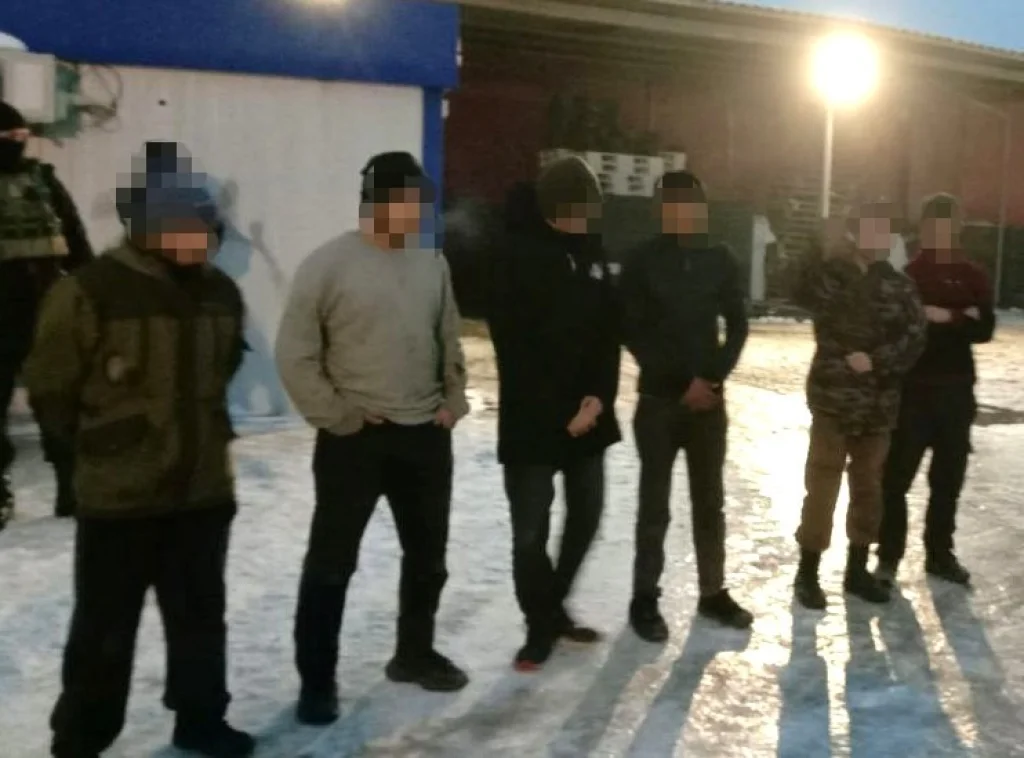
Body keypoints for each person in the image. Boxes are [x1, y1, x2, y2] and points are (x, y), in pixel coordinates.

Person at [24, 141, 253, 758]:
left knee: (200, 620)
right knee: (104, 627)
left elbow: (223, 371)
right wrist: (103, 448)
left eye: (208, 227)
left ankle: (201, 720)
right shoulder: (91, 291)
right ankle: (82, 736)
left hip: (202, 492)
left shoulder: (221, 293)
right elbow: (51, 388)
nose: (204, 239)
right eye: (190, 228)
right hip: (120, 498)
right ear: (151, 229)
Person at [276, 151, 470, 726]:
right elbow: (295, 356)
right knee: (331, 565)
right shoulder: (328, 265)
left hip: (424, 438)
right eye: (410, 200)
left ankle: (414, 653)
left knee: (428, 560)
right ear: (379, 201)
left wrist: (453, 399)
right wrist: (338, 417)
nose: (419, 211)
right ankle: (317, 682)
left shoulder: (431, 263)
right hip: (355, 442)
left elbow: (449, 338)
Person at [487, 157, 621, 671]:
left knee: (587, 515)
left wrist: (597, 398)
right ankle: (538, 626)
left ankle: (553, 604)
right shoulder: (515, 255)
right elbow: (515, 346)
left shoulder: (592, 252)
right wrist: (564, 412)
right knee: (530, 533)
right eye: (579, 207)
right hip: (533, 421)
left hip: (589, 415)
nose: (587, 216)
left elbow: (608, 333)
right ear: (553, 207)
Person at [620, 170, 753, 641]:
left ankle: (712, 592)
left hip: (708, 406)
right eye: (670, 204)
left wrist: (711, 379)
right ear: (660, 209)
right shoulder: (641, 261)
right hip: (659, 403)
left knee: (709, 502)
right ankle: (644, 599)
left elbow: (737, 325)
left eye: (688, 203)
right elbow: (633, 331)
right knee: (654, 506)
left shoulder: (721, 259)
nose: (679, 212)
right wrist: (681, 384)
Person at [790, 201, 927, 611]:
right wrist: (817, 244)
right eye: (871, 229)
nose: (879, 238)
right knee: (822, 485)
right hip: (833, 399)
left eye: (886, 231)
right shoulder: (829, 276)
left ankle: (857, 570)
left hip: (878, 405)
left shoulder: (900, 286)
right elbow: (797, 290)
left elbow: (915, 337)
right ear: (855, 233)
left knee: (869, 488)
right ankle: (808, 572)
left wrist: (877, 361)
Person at [877, 194, 995, 587]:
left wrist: (944, 315)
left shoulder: (972, 275)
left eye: (947, 227)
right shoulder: (909, 275)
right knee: (895, 481)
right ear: (924, 229)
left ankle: (939, 554)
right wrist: (961, 317)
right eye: (932, 227)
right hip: (914, 392)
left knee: (947, 482)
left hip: (956, 394)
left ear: (956, 229)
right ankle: (888, 557)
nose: (939, 234)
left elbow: (985, 328)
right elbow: (902, 325)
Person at [0, 101, 93, 528]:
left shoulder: (43, 181)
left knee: (58, 401)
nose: (17, 145)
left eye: (21, 137)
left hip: (45, 313)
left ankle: (71, 487)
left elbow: (75, 241)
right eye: (8, 138)